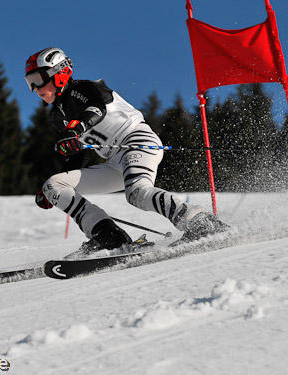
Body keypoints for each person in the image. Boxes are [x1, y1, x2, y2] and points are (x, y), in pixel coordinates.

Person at [25, 47, 228, 255]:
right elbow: (79, 154)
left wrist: (77, 129)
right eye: (29, 83)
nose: (35, 88)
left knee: (137, 193)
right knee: (53, 185)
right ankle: (108, 237)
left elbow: (97, 108)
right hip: (114, 162)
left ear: (58, 74)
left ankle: (200, 222)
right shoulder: (57, 117)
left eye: (38, 79)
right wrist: (56, 189)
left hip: (136, 140)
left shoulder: (83, 89)